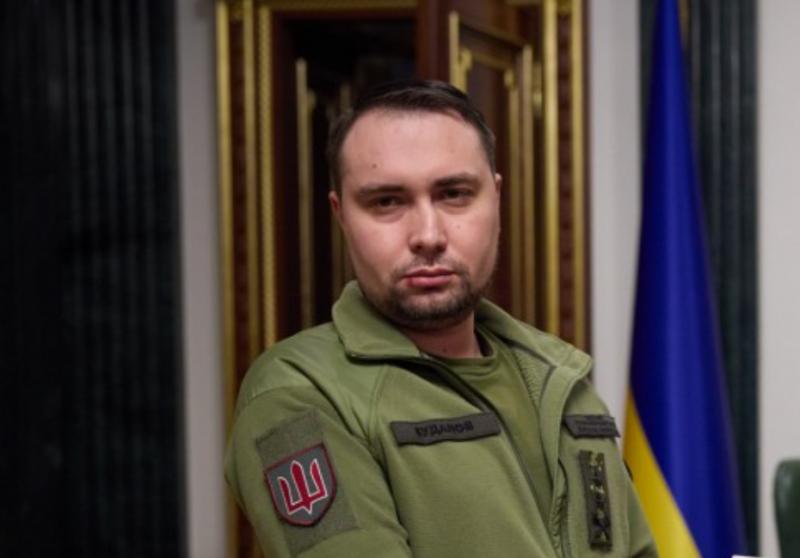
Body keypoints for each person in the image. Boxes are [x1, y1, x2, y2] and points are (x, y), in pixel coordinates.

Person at [225, 80, 657, 557]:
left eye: (453, 194)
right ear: (342, 214)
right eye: (387, 201)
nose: (428, 235)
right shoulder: (299, 394)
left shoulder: (559, 379)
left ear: (495, 199)